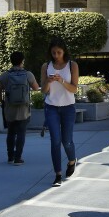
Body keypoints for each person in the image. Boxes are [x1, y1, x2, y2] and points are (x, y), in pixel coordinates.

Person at [41, 37, 80, 186]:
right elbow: (43, 90)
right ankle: (57, 174)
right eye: (53, 53)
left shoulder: (72, 65)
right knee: (55, 141)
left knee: (67, 141)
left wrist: (61, 81)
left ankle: (71, 160)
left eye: (59, 52)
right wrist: (48, 82)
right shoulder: (46, 66)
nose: (56, 55)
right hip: (51, 107)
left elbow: (74, 89)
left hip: (68, 107)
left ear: (64, 51)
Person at [0, 51, 40, 165]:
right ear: (22, 61)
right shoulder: (28, 74)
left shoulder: (5, 75)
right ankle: (18, 158)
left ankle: (10, 156)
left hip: (10, 108)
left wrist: (3, 102)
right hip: (23, 108)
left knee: (10, 132)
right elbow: (36, 88)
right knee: (21, 133)